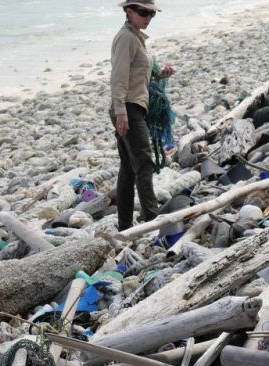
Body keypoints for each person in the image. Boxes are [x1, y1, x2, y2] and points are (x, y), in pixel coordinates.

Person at [110, 0, 174, 231]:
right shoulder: (127, 38)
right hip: (128, 109)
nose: (147, 17)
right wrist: (120, 112)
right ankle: (152, 221)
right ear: (128, 11)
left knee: (128, 168)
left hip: (134, 106)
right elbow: (118, 78)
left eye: (151, 14)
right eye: (143, 12)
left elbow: (138, 77)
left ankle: (125, 226)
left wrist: (161, 74)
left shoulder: (136, 36)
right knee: (144, 164)